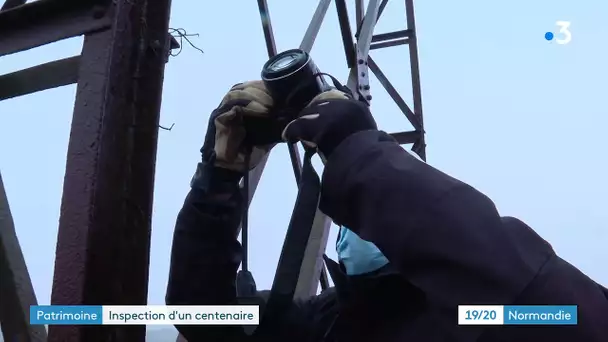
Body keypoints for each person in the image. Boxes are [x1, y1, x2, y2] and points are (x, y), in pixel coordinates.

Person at [166, 81, 608, 342]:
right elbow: (200, 316)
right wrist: (219, 177)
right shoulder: (323, 324)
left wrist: (356, 153)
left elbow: (554, 307)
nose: (351, 228)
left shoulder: (481, 311)